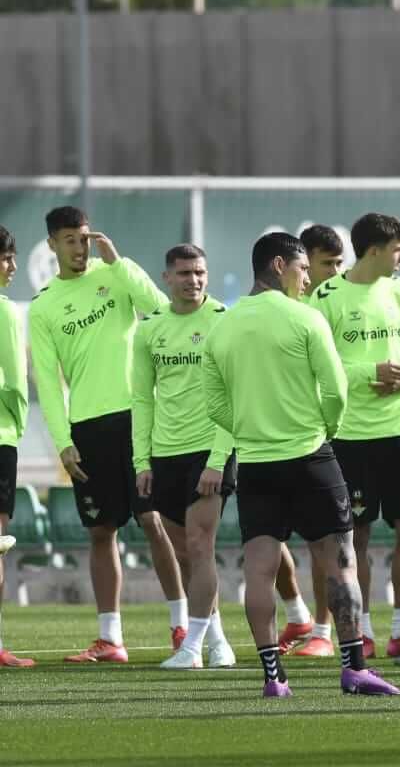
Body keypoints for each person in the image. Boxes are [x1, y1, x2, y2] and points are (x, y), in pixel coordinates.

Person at [203, 231, 398, 698]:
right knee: (340, 563)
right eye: (302, 268)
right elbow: (336, 390)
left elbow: (214, 405)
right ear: (277, 265)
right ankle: (354, 669)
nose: (308, 278)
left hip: (255, 462)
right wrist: (324, 428)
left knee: (259, 569)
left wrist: (251, 429)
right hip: (311, 455)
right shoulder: (306, 319)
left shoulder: (222, 326)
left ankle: (273, 677)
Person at [28, 207, 186, 662]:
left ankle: (181, 627)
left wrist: (119, 263)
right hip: (88, 428)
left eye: (84, 238)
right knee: (101, 530)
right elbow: (48, 380)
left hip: (137, 418)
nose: (80, 247)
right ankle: (111, 638)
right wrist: (63, 440)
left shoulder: (115, 275)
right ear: (52, 245)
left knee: (154, 520)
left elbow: (160, 308)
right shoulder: (43, 306)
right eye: (70, 240)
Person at [307, 214, 400, 660]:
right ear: (374, 250)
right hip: (350, 435)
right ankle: (366, 630)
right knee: (356, 536)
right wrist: (365, 373)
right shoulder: (326, 298)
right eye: (397, 249)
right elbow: (316, 367)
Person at [131, 244, 239, 670]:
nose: (193, 280)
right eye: (184, 273)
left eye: (199, 273)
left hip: (210, 450)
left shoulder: (223, 322)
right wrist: (142, 461)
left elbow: (234, 394)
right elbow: (142, 399)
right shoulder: (149, 329)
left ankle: (192, 648)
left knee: (200, 543)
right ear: (166, 279)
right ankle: (217, 640)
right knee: (186, 554)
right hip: (165, 453)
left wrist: (218, 458)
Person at [276, 223, 347, 657]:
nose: (332, 273)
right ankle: (300, 615)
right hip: (282, 438)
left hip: (329, 435)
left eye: (340, 264)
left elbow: (341, 372)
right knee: (273, 539)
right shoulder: (288, 309)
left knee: (330, 542)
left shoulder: (334, 303)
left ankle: (324, 630)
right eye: (325, 264)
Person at [0, 225, 34, 667]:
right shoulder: (6, 313)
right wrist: (18, 426)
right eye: (6, 257)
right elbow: (15, 383)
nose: (12, 266)